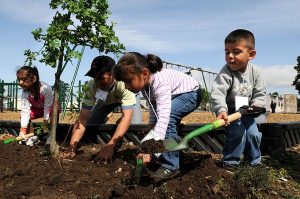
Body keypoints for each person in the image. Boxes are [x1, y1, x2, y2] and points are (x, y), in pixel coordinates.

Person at [114, 52, 202, 180]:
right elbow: (153, 106)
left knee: (169, 118)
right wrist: (151, 124)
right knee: (164, 123)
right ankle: (173, 149)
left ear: (144, 73)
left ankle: (170, 165)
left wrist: (151, 150)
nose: (126, 87)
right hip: (176, 95)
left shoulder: (160, 82)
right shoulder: (145, 87)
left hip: (191, 94)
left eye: (128, 81)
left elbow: (164, 117)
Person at [61, 55, 137, 161]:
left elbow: (126, 118)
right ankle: (106, 117)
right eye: (95, 77)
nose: (98, 81)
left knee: (131, 122)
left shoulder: (124, 84)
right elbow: (83, 119)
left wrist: (110, 146)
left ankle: (115, 138)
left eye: (101, 78)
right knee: (91, 123)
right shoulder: (92, 85)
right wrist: (71, 148)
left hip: (127, 102)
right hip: (106, 102)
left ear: (113, 75)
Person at [211, 29, 266, 168]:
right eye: (227, 52)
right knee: (237, 133)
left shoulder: (255, 73)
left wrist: (256, 105)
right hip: (231, 110)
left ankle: (254, 162)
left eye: (236, 52)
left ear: (251, 54)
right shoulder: (226, 72)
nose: (230, 56)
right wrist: (221, 110)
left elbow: (260, 93)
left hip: (248, 110)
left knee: (253, 134)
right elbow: (218, 92)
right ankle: (231, 162)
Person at [16, 66, 54, 146]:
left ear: (33, 79)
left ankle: (51, 135)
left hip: (49, 108)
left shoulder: (46, 88)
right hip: (37, 109)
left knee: (55, 110)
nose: (20, 83)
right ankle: (31, 136)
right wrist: (22, 131)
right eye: (19, 79)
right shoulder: (25, 92)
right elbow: (25, 111)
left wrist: (45, 123)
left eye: (23, 79)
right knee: (24, 116)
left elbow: (47, 107)